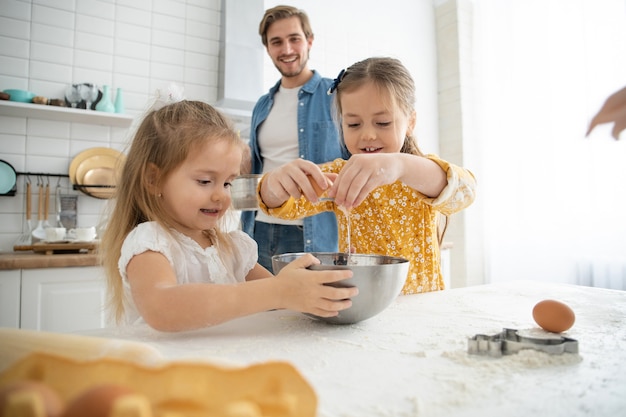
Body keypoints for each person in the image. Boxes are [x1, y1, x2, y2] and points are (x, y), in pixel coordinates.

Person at [99, 100, 357, 332]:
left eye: (227, 183)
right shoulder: (151, 242)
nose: (221, 196)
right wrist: (277, 291)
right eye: (205, 181)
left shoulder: (231, 248)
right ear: (154, 179)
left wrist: (315, 287)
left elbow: (285, 301)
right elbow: (162, 309)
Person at [259, 57, 477, 294]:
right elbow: (283, 205)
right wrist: (273, 184)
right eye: (353, 124)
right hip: (363, 308)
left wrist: (400, 166)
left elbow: (465, 191)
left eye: (383, 122)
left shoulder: (419, 173)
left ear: (410, 122)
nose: (368, 135)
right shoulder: (339, 174)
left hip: (422, 307)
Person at [241, 5, 350, 272]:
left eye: (294, 39)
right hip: (259, 227)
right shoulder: (262, 105)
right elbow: (256, 166)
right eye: (276, 42)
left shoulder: (336, 94)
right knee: (263, 310)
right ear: (267, 48)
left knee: (309, 311)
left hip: (312, 232)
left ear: (309, 41)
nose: (286, 49)